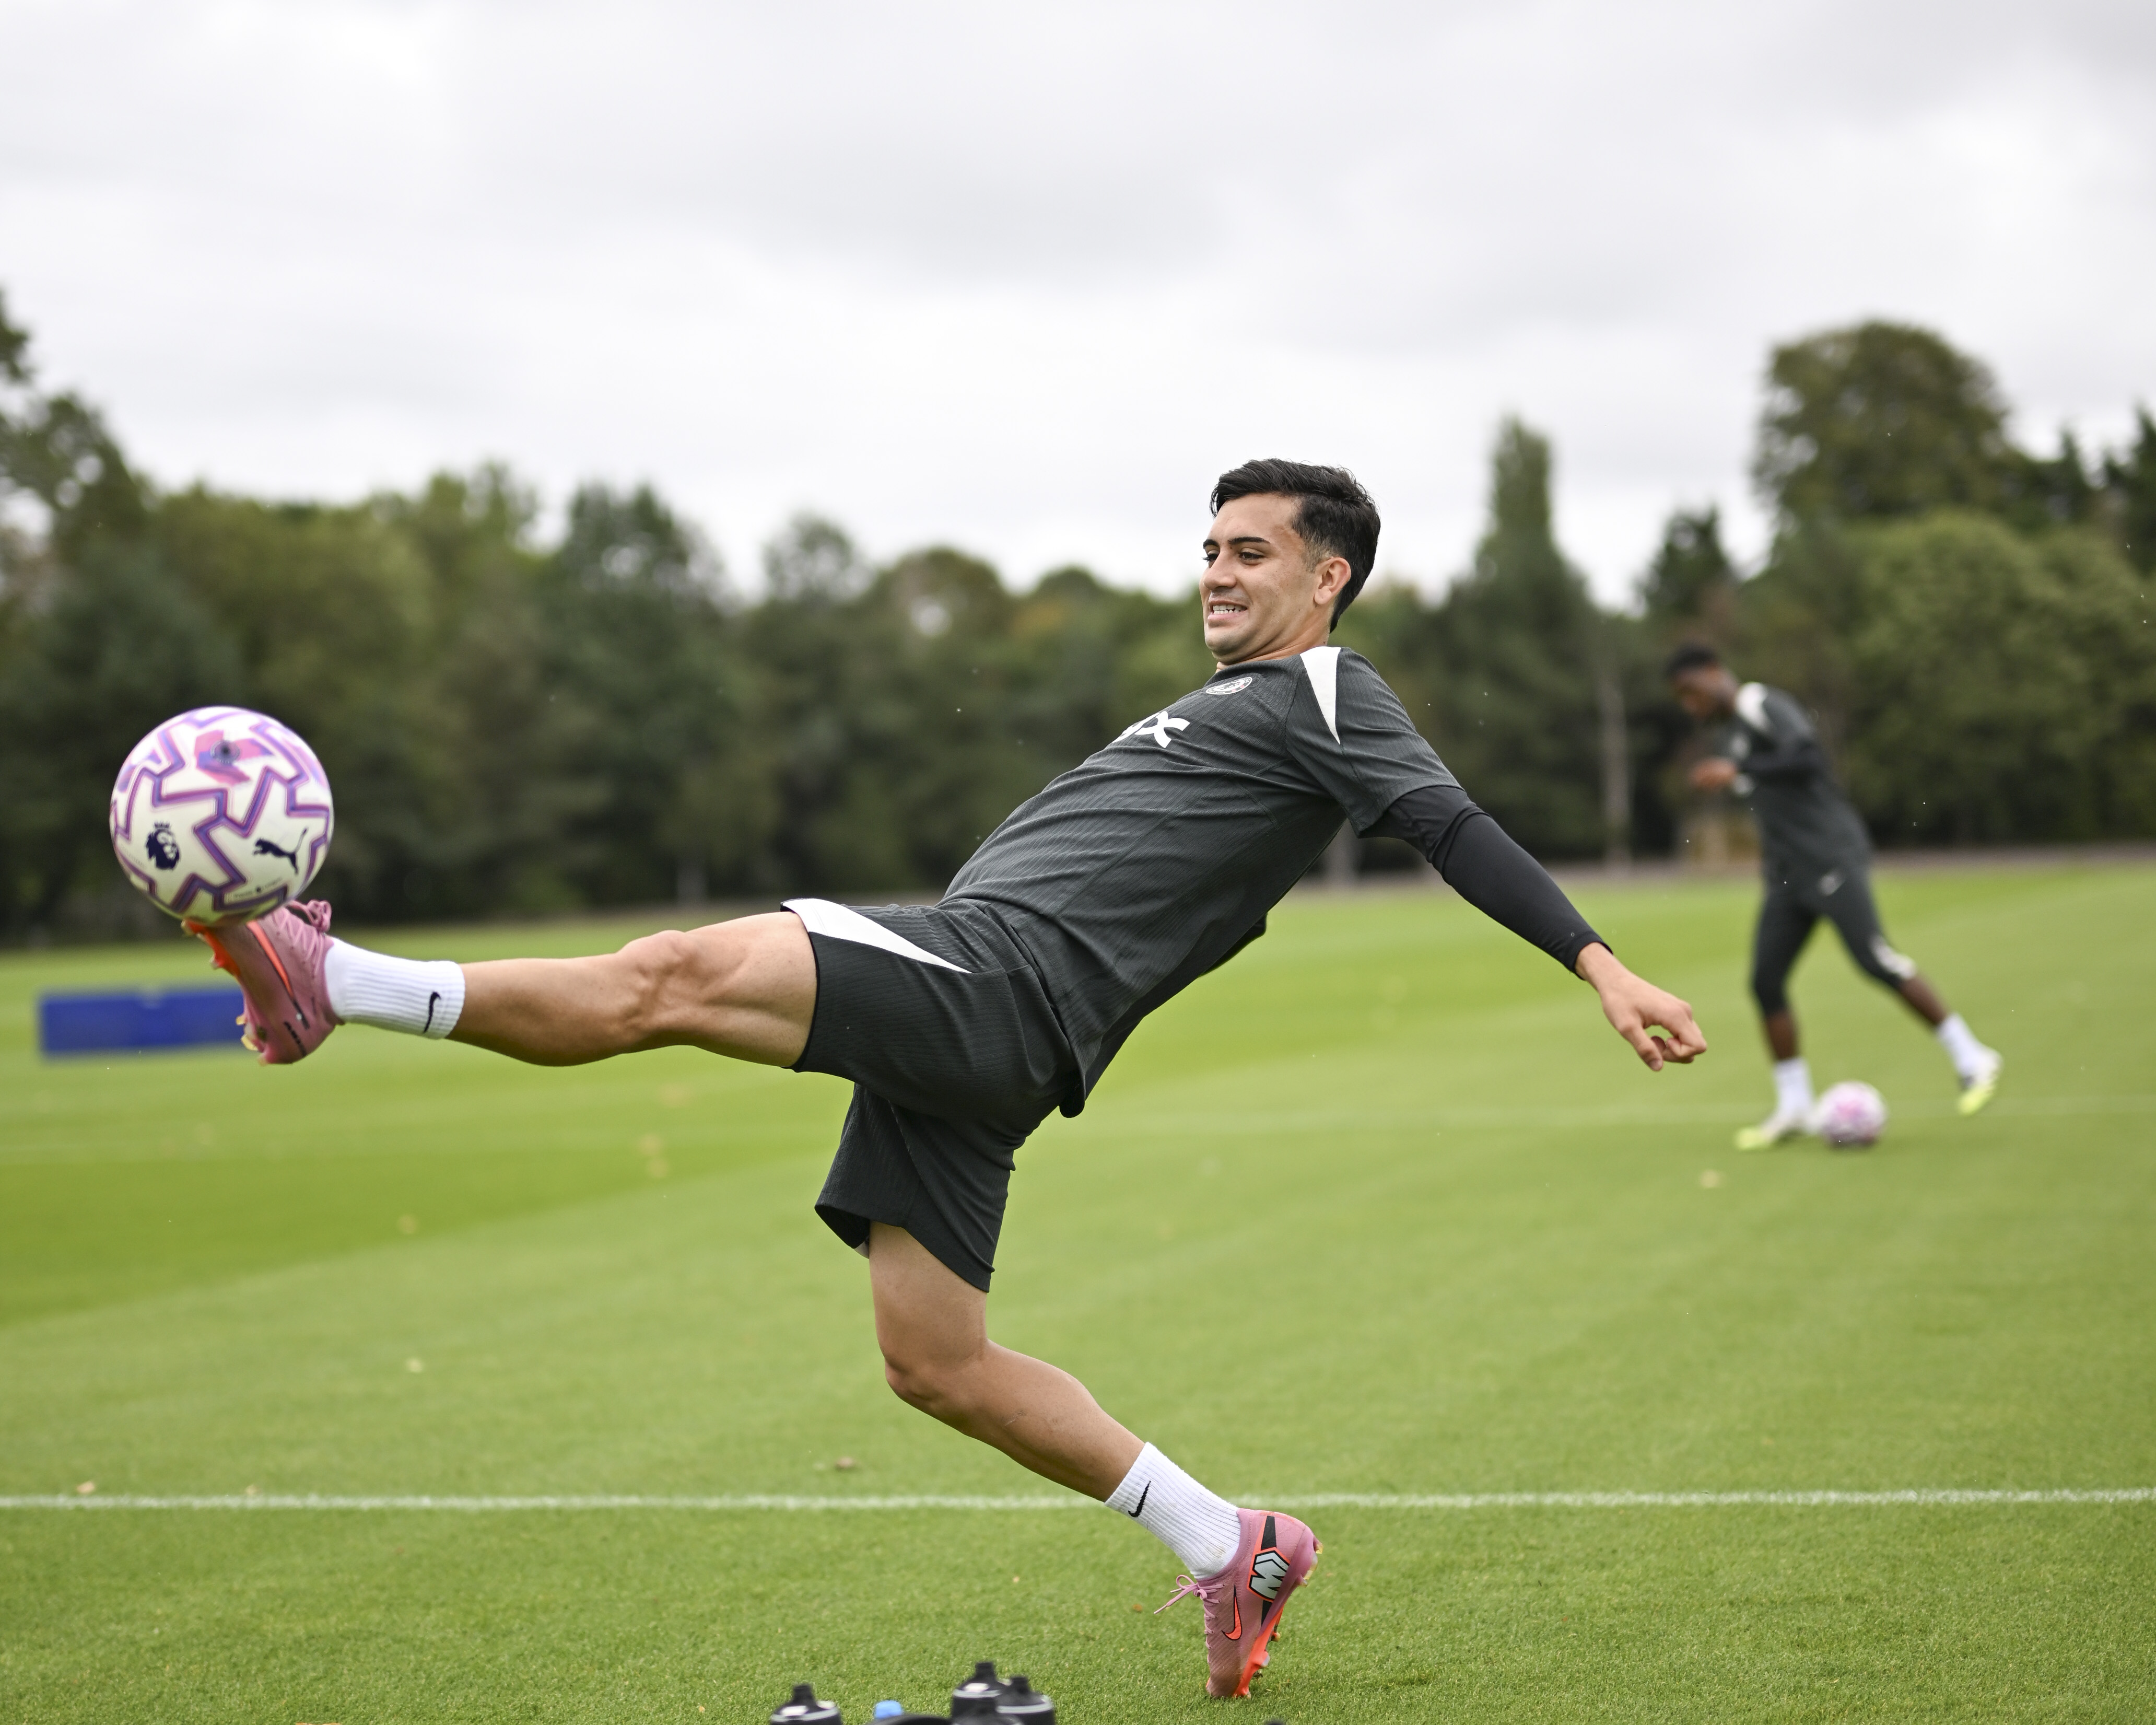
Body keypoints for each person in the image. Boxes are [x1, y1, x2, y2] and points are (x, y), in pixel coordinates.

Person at [197, 461, 1706, 1700]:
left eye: (1251, 552)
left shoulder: (1332, 696)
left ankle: (337, 982)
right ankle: (1230, 1538)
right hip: (997, 1023)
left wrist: (1601, 962)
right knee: (937, 1362)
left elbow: (1456, 828)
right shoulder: (1238, 703)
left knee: (668, 974)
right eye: (1207, 548)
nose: (1217, 572)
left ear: (1330, 580)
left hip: (997, 973)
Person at [1664, 643, 2001, 1150]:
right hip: (1786, 874)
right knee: (1765, 981)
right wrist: (1736, 775)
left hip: (1830, 859)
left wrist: (1740, 773)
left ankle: (1972, 1056)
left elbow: (1807, 756)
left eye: (1692, 691)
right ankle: (1795, 1105)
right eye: (1681, 698)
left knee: (1874, 959)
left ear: (1715, 673)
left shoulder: (1762, 704)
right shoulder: (1729, 734)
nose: (1690, 705)